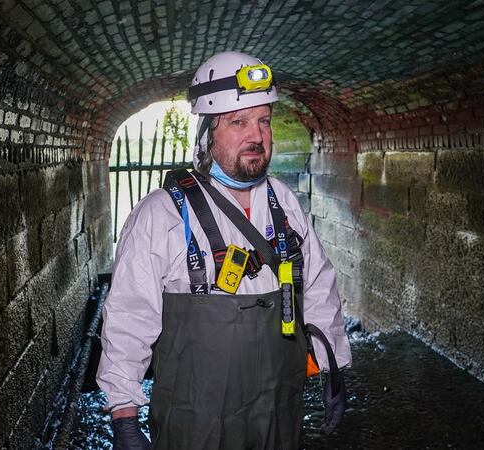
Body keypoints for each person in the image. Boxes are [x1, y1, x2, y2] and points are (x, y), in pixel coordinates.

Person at [97, 51, 352, 450]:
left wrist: (333, 366)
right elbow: (128, 318)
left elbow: (319, 287)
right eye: (239, 122)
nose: (257, 135)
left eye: (264, 121)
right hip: (195, 424)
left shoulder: (282, 204)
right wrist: (125, 415)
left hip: (277, 417)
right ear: (207, 133)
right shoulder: (161, 214)